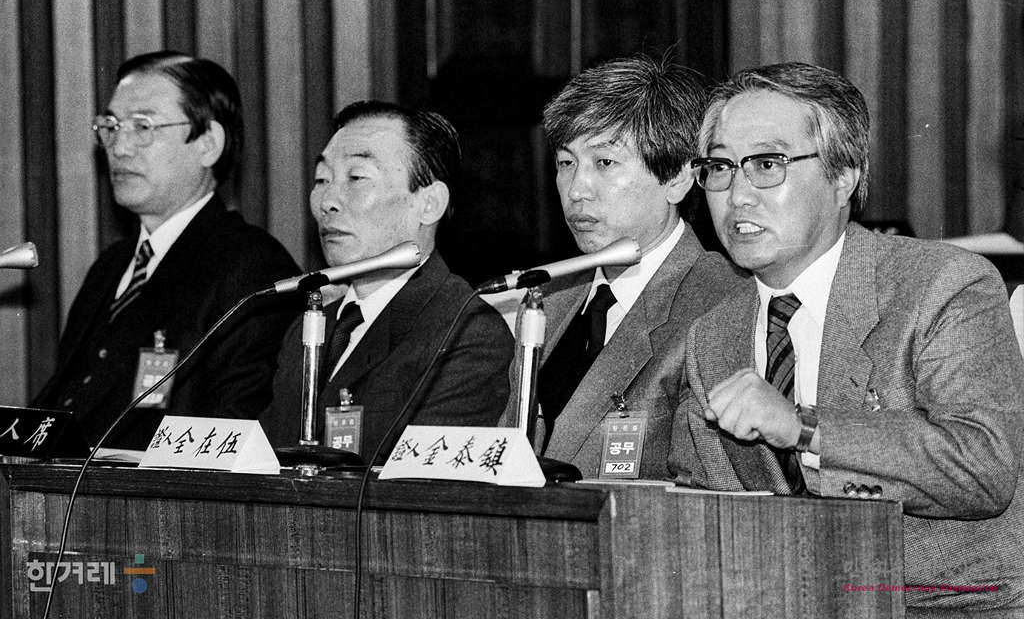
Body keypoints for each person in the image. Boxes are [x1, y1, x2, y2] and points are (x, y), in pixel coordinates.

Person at [671, 62, 1024, 611]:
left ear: (844, 177)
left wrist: (805, 427)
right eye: (719, 167)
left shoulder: (942, 285)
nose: (737, 194)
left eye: (767, 164)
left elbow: (982, 468)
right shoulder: (712, 335)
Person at [33, 51, 300, 449]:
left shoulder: (252, 267)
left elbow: (232, 429)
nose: (119, 148)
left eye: (143, 126)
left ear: (208, 144)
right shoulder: (111, 267)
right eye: (111, 126)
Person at [511, 54, 748, 479]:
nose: (577, 190)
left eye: (604, 162)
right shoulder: (547, 300)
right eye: (566, 163)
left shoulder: (722, 304)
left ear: (677, 179)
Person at [264, 101, 513, 464]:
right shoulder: (310, 328)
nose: (327, 201)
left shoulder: (465, 333)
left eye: (356, 178)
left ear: (429, 204)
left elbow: (421, 486)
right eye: (322, 180)